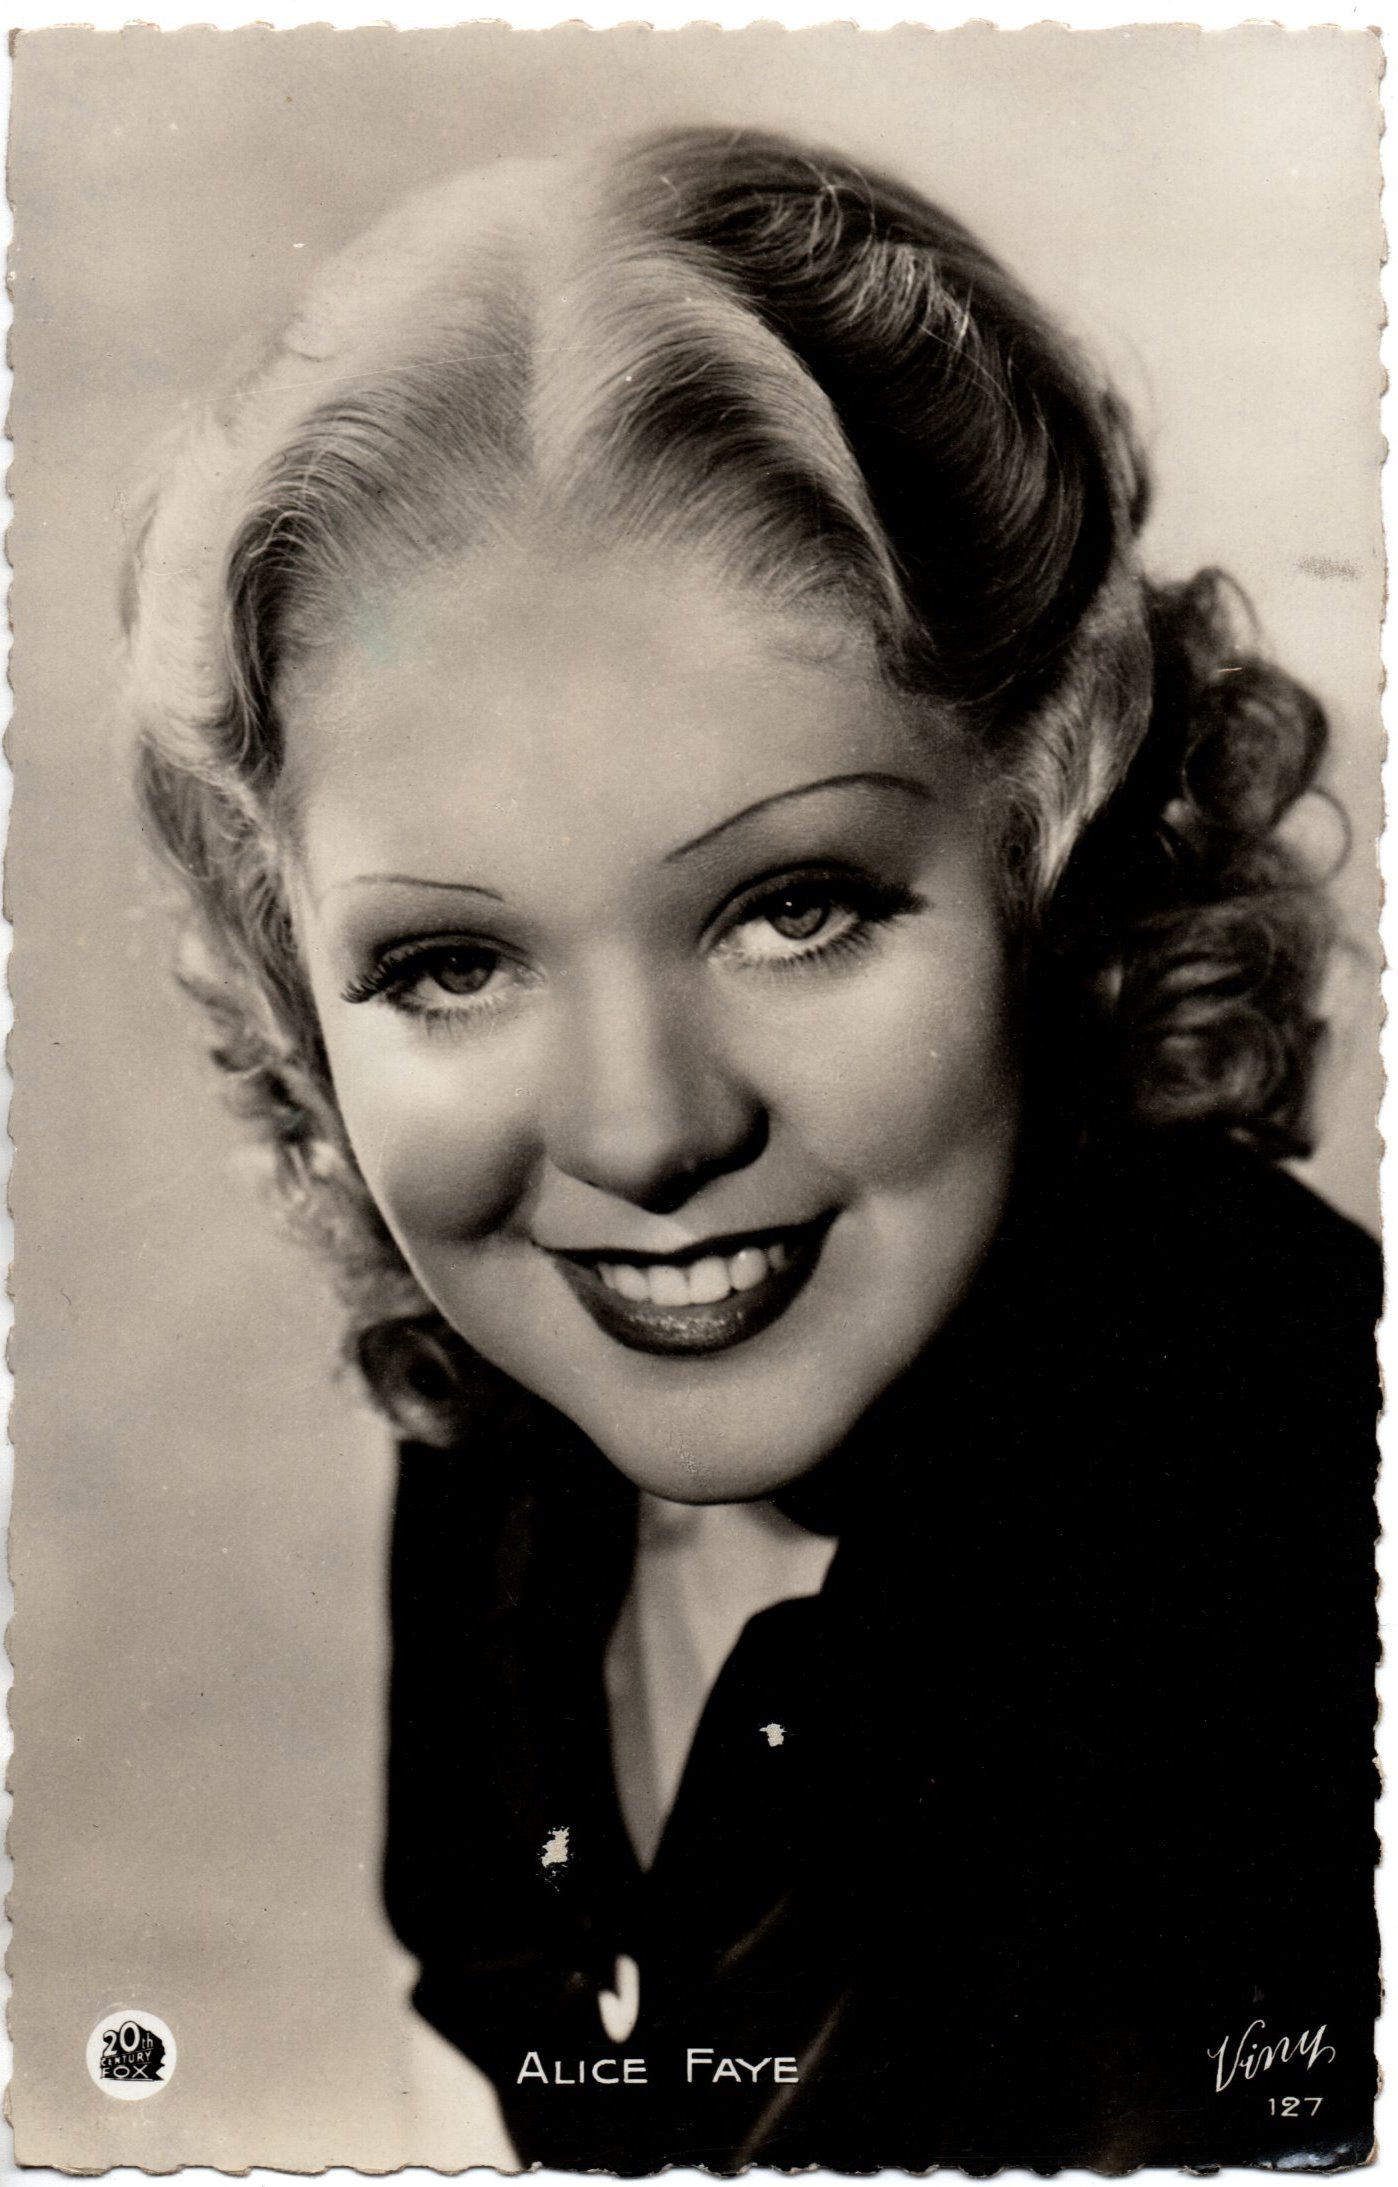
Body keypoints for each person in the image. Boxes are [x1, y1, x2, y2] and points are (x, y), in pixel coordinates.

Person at [122, 126, 1378, 2173]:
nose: (641, 1131)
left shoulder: (1303, 1551)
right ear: (295, 976)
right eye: (451, 963)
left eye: (792, 907)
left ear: (1046, 830)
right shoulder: (515, 1437)